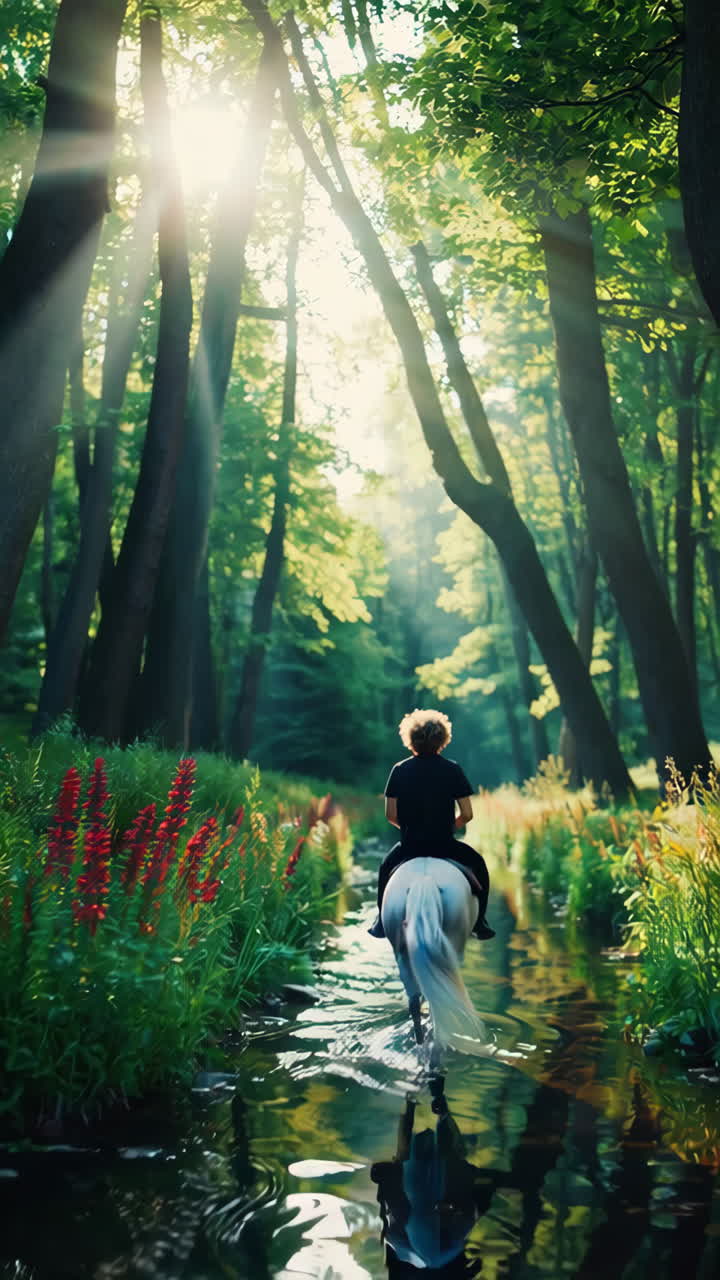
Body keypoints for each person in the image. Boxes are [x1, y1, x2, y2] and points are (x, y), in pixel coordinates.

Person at [368, 708, 495, 941]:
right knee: (479, 866)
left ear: (411, 739)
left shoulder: (399, 770)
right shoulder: (453, 769)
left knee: (385, 869)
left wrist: (410, 830)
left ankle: (380, 922)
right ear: (442, 740)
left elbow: (390, 815)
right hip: (445, 845)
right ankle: (480, 922)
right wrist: (447, 828)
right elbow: (467, 814)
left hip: (410, 846)